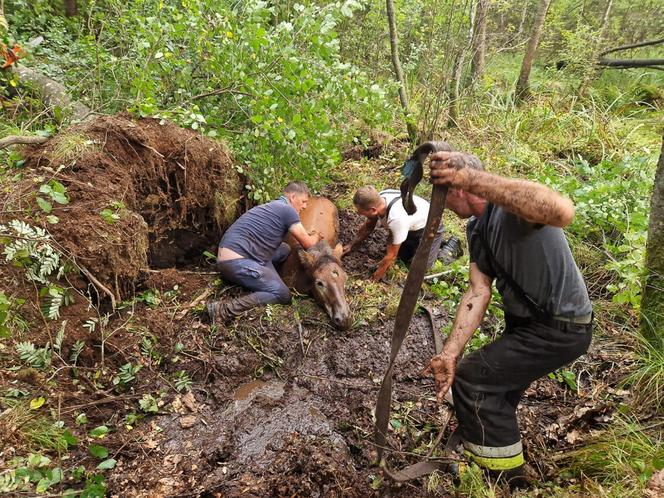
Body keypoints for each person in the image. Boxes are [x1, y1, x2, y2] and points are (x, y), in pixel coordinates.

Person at [423, 151, 592, 487]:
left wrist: (473, 180)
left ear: (458, 188)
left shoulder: (512, 210)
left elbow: (561, 211)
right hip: (528, 326)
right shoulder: (476, 229)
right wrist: (451, 352)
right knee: (493, 389)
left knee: (473, 380)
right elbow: (477, 292)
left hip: (560, 327)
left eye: (442, 194)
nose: (439, 204)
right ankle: (493, 449)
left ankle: (507, 481)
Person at [207, 181, 321, 324]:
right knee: (283, 295)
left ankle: (266, 276)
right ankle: (224, 310)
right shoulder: (288, 210)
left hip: (233, 254)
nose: (304, 206)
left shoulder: (272, 206)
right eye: (303, 201)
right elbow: (308, 243)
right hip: (235, 262)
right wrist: (316, 236)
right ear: (292, 197)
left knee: (284, 249)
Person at [342, 186, 445, 281]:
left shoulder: (396, 218)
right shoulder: (379, 199)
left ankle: (449, 249)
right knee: (403, 256)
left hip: (430, 226)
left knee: (420, 268)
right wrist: (351, 244)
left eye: (360, 211)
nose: (358, 214)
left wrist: (374, 279)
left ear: (373, 210)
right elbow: (369, 225)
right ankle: (422, 245)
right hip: (410, 225)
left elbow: (391, 256)